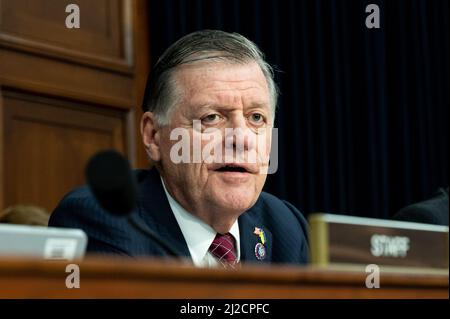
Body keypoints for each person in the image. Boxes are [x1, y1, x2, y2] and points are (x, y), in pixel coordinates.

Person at [49, 30, 309, 267]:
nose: (242, 139)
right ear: (153, 136)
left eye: (256, 118)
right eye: (211, 118)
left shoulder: (284, 224)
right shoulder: (104, 219)